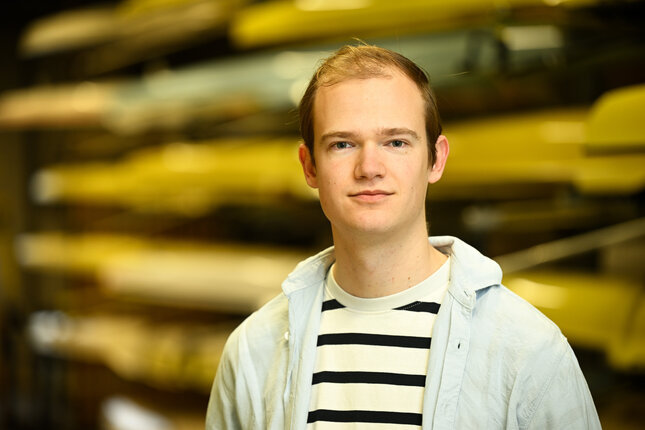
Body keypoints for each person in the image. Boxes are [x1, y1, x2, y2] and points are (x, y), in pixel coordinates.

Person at [206, 44, 601, 429]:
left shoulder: (528, 350)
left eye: (396, 142)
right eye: (342, 144)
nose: (370, 167)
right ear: (309, 166)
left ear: (436, 158)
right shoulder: (252, 353)